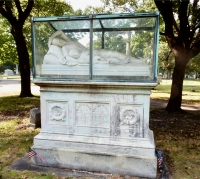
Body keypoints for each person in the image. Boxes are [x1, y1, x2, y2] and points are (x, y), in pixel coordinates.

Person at [43, 30, 148, 66]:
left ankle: (139, 61)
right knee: (111, 60)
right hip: (88, 59)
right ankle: (128, 63)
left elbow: (60, 32)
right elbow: (68, 58)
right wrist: (81, 63)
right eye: (58, 43)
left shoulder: (70, 41)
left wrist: (51, 38)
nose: (61, 42)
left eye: (59, 40)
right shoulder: (64, 49)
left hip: (91, 52)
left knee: (113, 52)